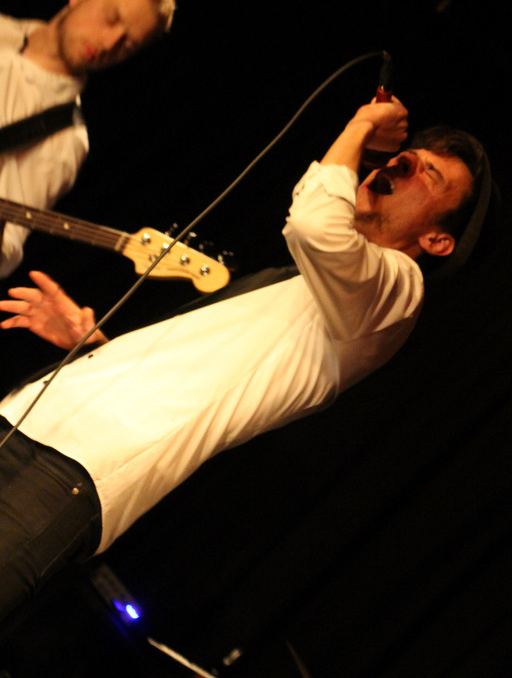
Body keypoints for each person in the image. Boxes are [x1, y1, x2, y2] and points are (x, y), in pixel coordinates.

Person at [0, 97, 487, 623]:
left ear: (438, 239)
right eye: (407, 157)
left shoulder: (397, 295)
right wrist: (94, 343)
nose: (402, 165)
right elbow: (198, 375)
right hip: (25, 416)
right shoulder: (303, 284)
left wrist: (363, 123)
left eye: (429, 174)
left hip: (77, 471)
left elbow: (313, 223)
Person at [0, 0, 175, 278]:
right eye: (111, 17)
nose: (109, 43)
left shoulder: (65, 140)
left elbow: (6, 250)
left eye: (128, 45)